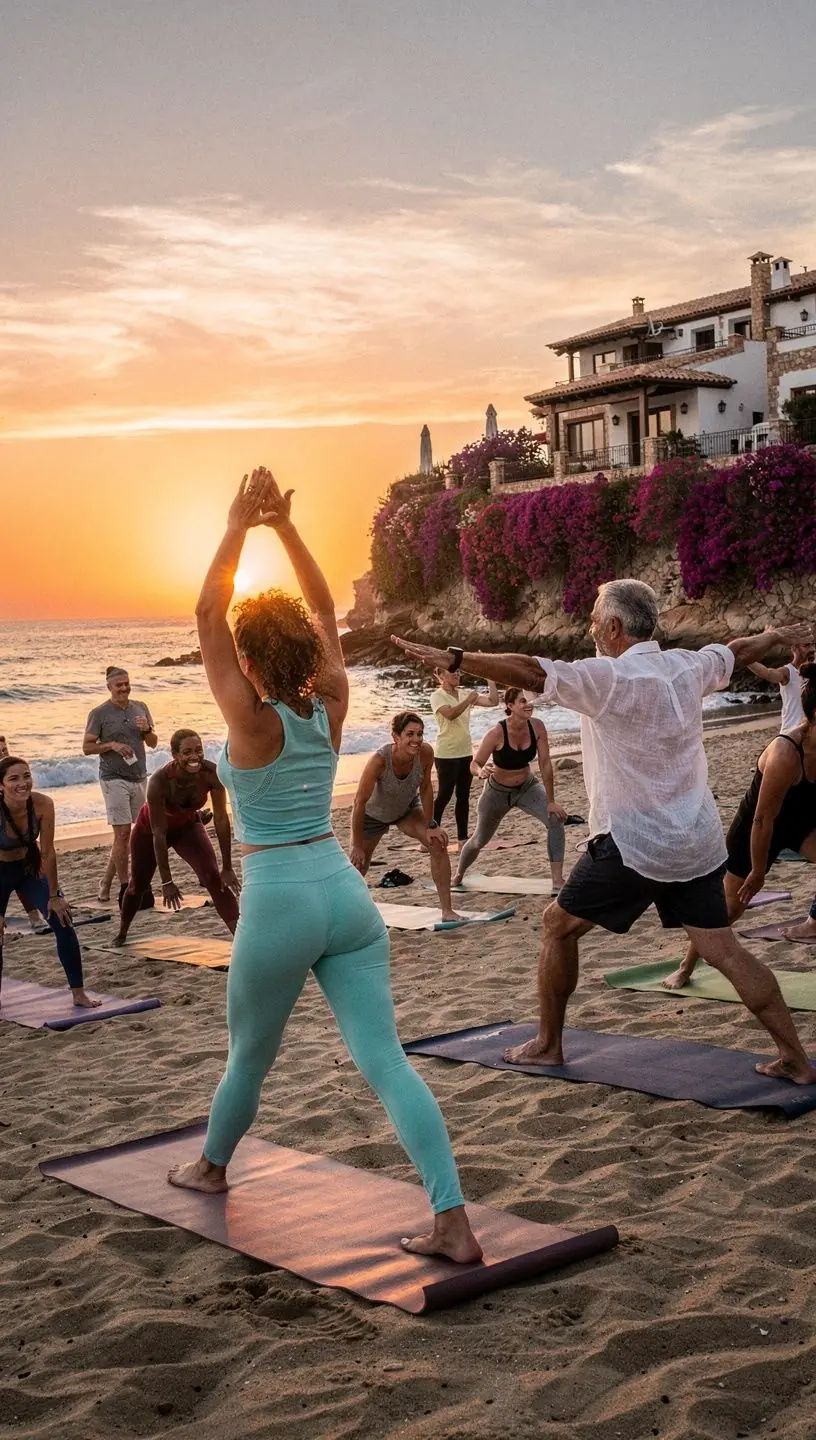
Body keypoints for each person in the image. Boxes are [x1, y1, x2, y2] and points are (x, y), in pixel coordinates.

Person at [167, 467, 481, 1264]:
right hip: (344, 896)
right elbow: (325, 609)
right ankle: (451, 1218)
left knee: (250, 1057)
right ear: (304, 650)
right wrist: (283, 528)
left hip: (278, 897)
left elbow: (207, 609)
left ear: (247, 657)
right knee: (385, 1061)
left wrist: (236, 520)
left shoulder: (248, 720)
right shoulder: (331, 697)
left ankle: (210, 1168)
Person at [392, 582, 816, 1085]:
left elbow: (530, 670)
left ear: (614, 627)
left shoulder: (608, 678)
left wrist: (457, 657)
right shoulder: (689, 665)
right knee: (724, 949)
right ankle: (795, 1057)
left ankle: (549, 1045)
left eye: (595, 620)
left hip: (631, 843)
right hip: (694, 843)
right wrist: (776, 633)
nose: (590, 628)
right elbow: (740, 650)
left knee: (556, 926)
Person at [664, 661, 816, 977]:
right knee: (731, 909)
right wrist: (759, 872)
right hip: (756, 831)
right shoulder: (786, 753)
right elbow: (762, 820)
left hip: (801, 826)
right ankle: (687, 964)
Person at [112, 728, 241, 947]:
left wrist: (227, 866)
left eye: (199, 750)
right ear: (175, 755)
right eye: (187, 752)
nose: (194, 757)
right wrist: (167, 881)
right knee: (138, 886)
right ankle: (123, 931)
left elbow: (221, 819)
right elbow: (159, 834)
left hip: (187, 827)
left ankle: (241, 939)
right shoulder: (160, 782)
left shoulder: (211, 773)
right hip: (149, 831)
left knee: (213, 878)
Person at [0, 756, 99, 1008]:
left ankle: (78, 993)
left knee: (62, 920)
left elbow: (48, 852)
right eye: (13, 778)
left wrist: (55, 895)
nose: (23, 783)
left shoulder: (43, 804)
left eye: (26, 776)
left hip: (30, 868)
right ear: (1, 785)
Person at [349, 713, 462, 923]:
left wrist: (430, 824)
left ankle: (447, 911)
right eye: (410, 734)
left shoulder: (425, 753)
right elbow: (358, 803)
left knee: (437, 843)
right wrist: (356, 844)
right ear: (396, 737)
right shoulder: (380, 761)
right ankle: (346, 916)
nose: (416, 739)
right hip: (373, 816)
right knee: (358, 866)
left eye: (420, 734)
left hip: (406, 810)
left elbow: (426, 787)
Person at [453, 687, 566, 893]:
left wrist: (550, 800)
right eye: (522, 701)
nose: (528, 704)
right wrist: (480, 771)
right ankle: (459, 872)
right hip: (497, 792)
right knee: (480, 839)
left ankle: (557, 880)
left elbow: (545, 763)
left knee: (555, 820)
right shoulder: (497, 733)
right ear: (510, 706)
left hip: (527, 788)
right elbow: (475, 763)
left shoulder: (537, 727)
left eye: (530, 700)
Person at [83, 668, 158, 905]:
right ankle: (127, 887)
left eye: (126, 683)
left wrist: (146, 729)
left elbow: (153, 743)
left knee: (135, 835)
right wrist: (112, 745)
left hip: (139, 776)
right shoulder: (99, 713)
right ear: (109, 687)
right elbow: (87, 747)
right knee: (122, 833)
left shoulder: (141, 707)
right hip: (113, 777)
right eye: (119, 685)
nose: (124, 688)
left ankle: (105, 882)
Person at [430, 666, 498, 844]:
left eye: (459, 672)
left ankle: (462, 839)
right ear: (441, 675)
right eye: (452, 672)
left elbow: (493, 701)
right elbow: (451, 714)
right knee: (444, 795)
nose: (457, 675)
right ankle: (429, 834)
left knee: (463, 795)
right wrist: (469, 700)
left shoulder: (464, 694)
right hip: (446, 753)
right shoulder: (437, 696)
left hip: (465, 752)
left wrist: (488, 675)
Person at [0, 735, 45, 930]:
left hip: (23, 846)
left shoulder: (15, 776)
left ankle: (34, 913)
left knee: (26, 863)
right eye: (0, 751)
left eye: (5, 749)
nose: (4, 753)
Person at [749, 641, 814, 735]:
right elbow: (767, 673)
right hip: (791, 732)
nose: (812, 649)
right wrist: (746, 659)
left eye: (814, 645)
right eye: (806, 645)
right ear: (794, 648)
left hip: (810, 733)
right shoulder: (788, 672)